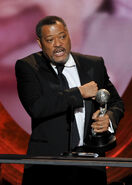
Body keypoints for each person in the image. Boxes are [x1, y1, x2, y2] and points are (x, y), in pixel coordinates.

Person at [15, 16, 124, 185]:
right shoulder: (28, 67)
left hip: (90, 164)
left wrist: (108, 119)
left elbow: (116, 102)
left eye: (62, 36)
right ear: (40, 43)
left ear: (69, 36)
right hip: (47, 166)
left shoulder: (93, 65)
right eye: (50, 40)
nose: (58, 44)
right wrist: (79, 93)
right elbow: (37, 107)